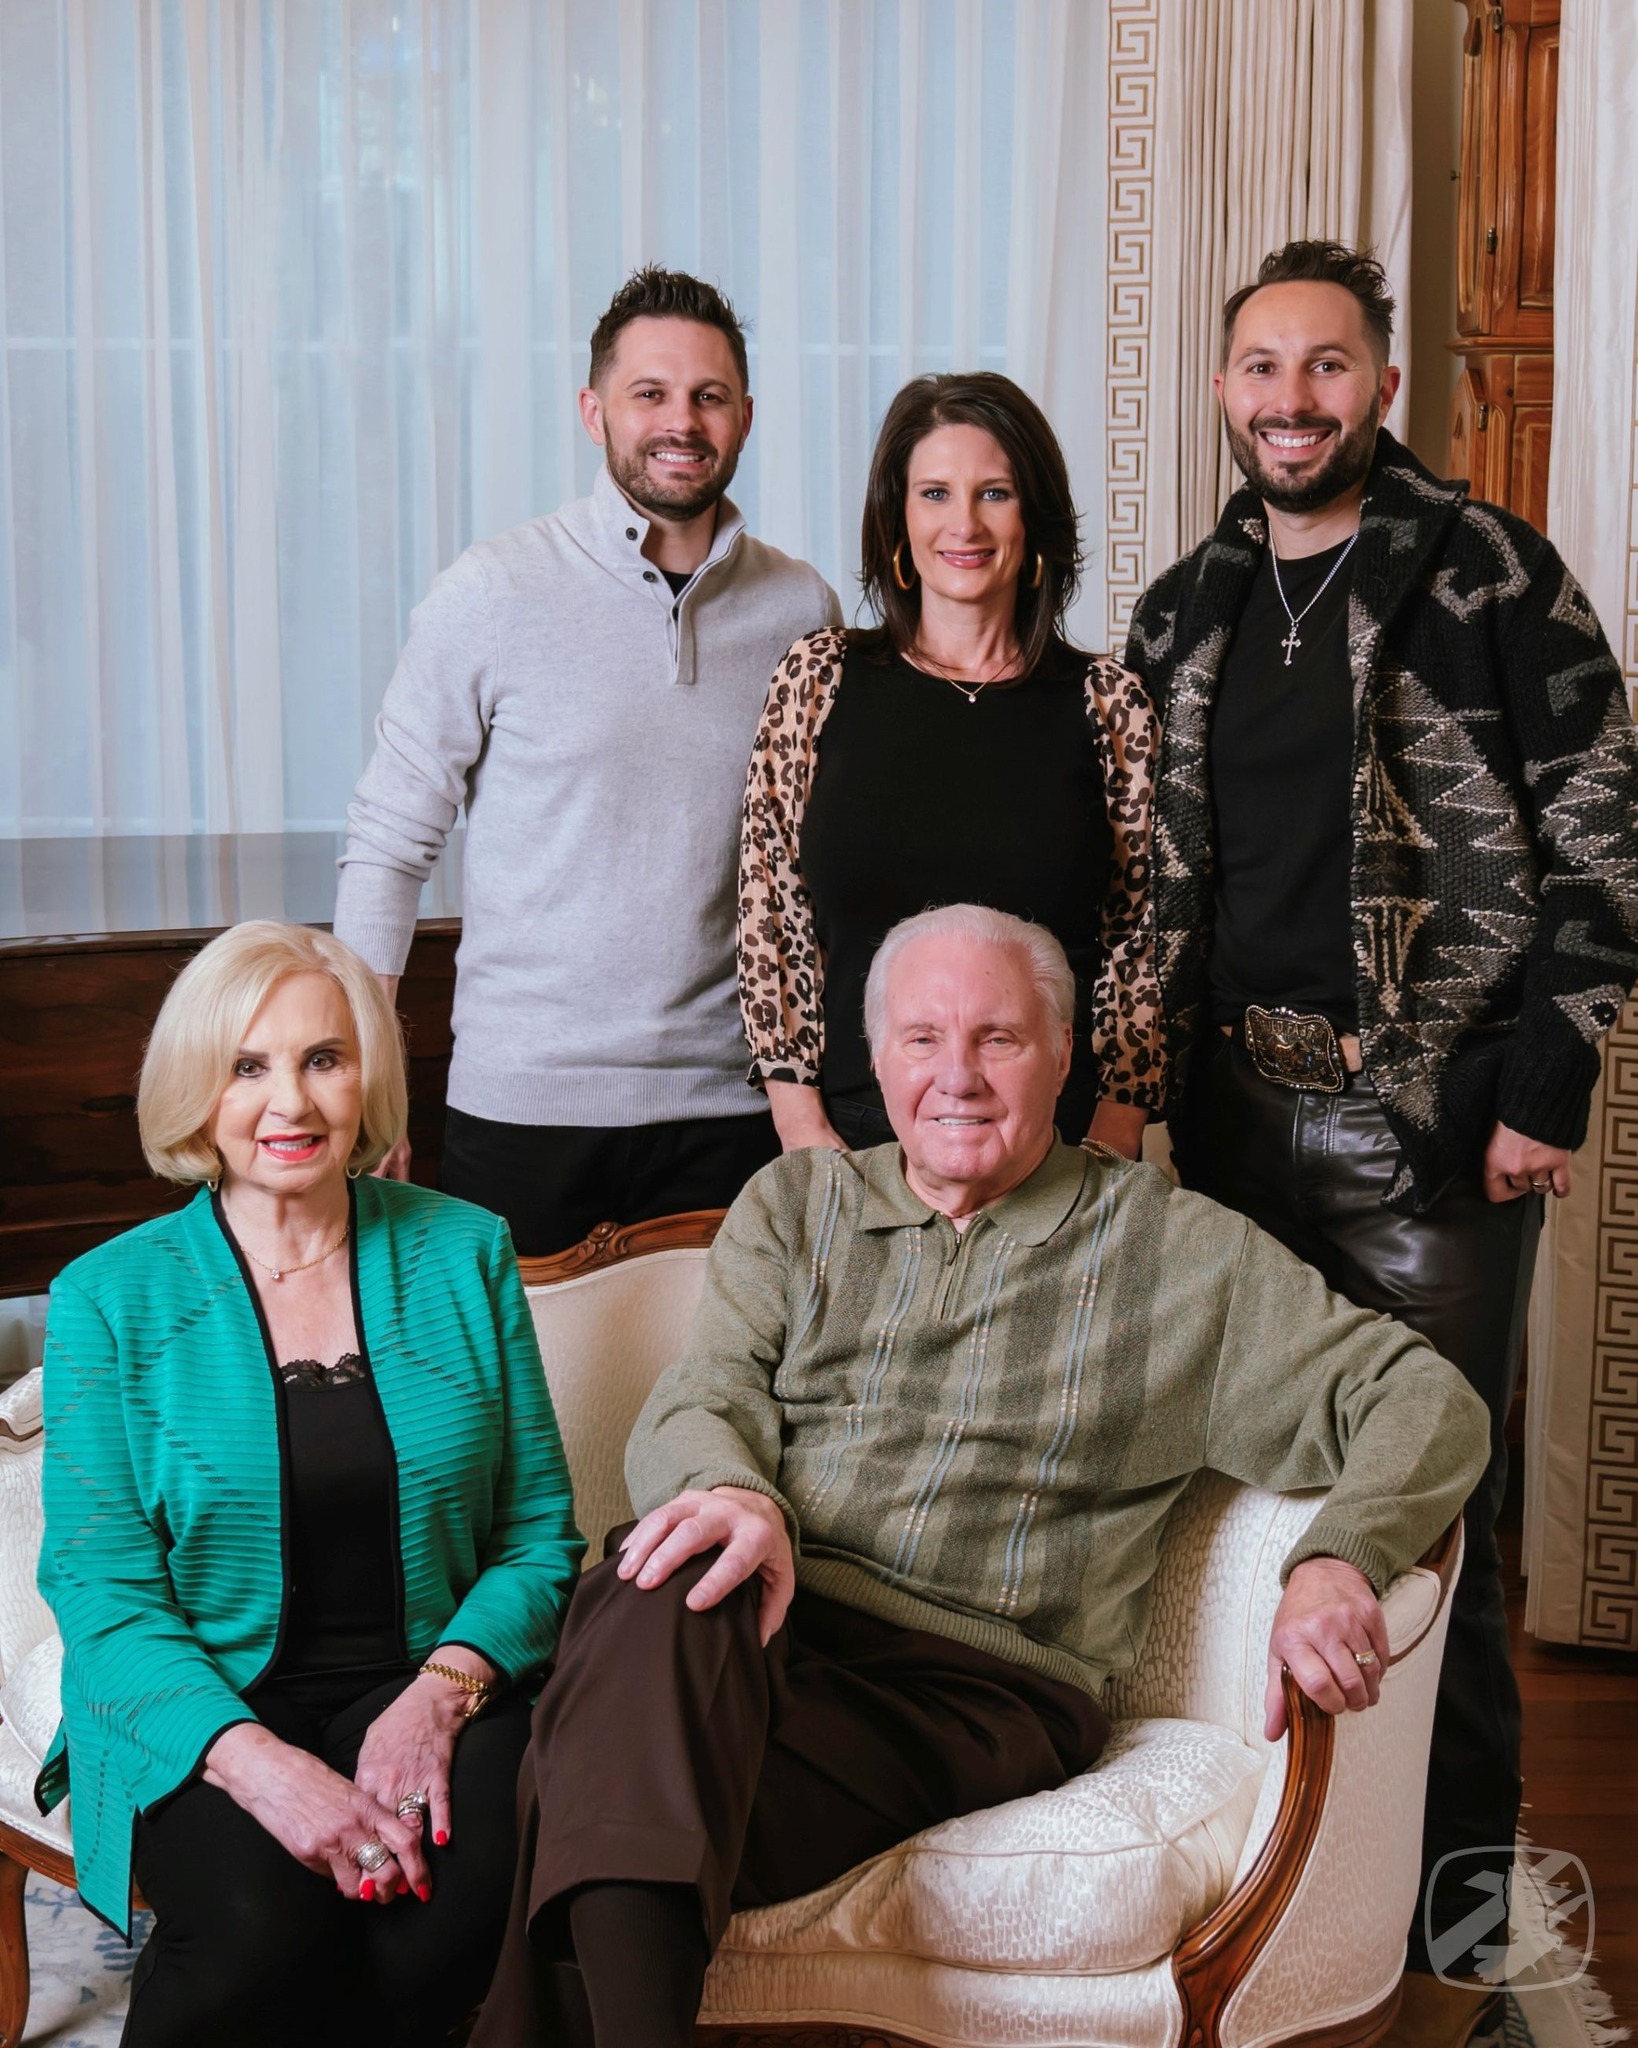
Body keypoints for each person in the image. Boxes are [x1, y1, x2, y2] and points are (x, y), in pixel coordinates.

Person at [470, 904, 1490, 2048]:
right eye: (922, 1038)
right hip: (761, 1626)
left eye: (998, 1037)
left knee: (561, 1776)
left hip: (973, 1690)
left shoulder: (1177, 1252)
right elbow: (703, 1395)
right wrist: (737, 1494)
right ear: (876, 1059)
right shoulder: (797, 1206)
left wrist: (1335, 1559)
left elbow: (1424, 1397)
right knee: (667, 1577)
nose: (956, 1074)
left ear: (1062, 1054)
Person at [1123, 240, 1638, 2014]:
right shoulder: (1181, 609)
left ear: (1381, 386)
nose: (1292, 401)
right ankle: (1288, 1907)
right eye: (1262, 368)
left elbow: (1601, 837)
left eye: (1325, 366)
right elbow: (1146, 882)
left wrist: (1542, 1087)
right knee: (1249, 1519)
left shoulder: (1489, 572)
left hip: (1430, 1131)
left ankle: (1470, 1947)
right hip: (1227, 1126)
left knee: (1436, 1528)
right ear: (1221, 390)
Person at [35, 921, 583, 2048]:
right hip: (204, 1698)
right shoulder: (109, 1295)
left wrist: (440, 1696)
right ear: (197, 1089)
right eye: (248, 1065)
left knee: (440, 1919)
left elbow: (537, 1533)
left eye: (323, 1058)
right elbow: (102, 1593)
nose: (290, 1101)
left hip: (430, 1674)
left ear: (366, 1075)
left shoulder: (465, 1250)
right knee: (257, 1933)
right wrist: (270, 1773)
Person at [335, 266, 841, 1254]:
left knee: (730, 1365)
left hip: (733, 1108)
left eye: (708, 395)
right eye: (650, 392)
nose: (680, 420)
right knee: (519, 1367)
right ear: (592, 410)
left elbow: (812, 870)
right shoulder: (491, 591)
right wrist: (366, 1072)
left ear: (745, 417)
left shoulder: (801, 609)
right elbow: (389, 842)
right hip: (524, 1105)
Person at [738, 371, 1163, 1160]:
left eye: (994, 493)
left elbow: (1140, 941)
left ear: (1034, 518)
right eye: (934, 493)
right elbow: (773, 915)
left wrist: (1116, 1132)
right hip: (855, 1142)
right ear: (897, 520)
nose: (964, 523)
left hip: (1058, 1150)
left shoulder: (1110, 702)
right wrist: (804, 1132)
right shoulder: (819, 679)